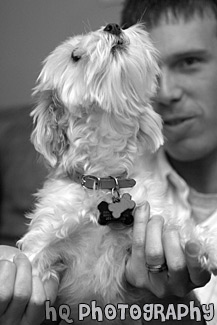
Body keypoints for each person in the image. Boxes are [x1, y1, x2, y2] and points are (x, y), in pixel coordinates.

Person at [1, 0, 217, 323]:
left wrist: (177, 308)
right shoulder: (72, 200)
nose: (167, 92)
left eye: (190, 61)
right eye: (159, 66)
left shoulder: (147, 197)